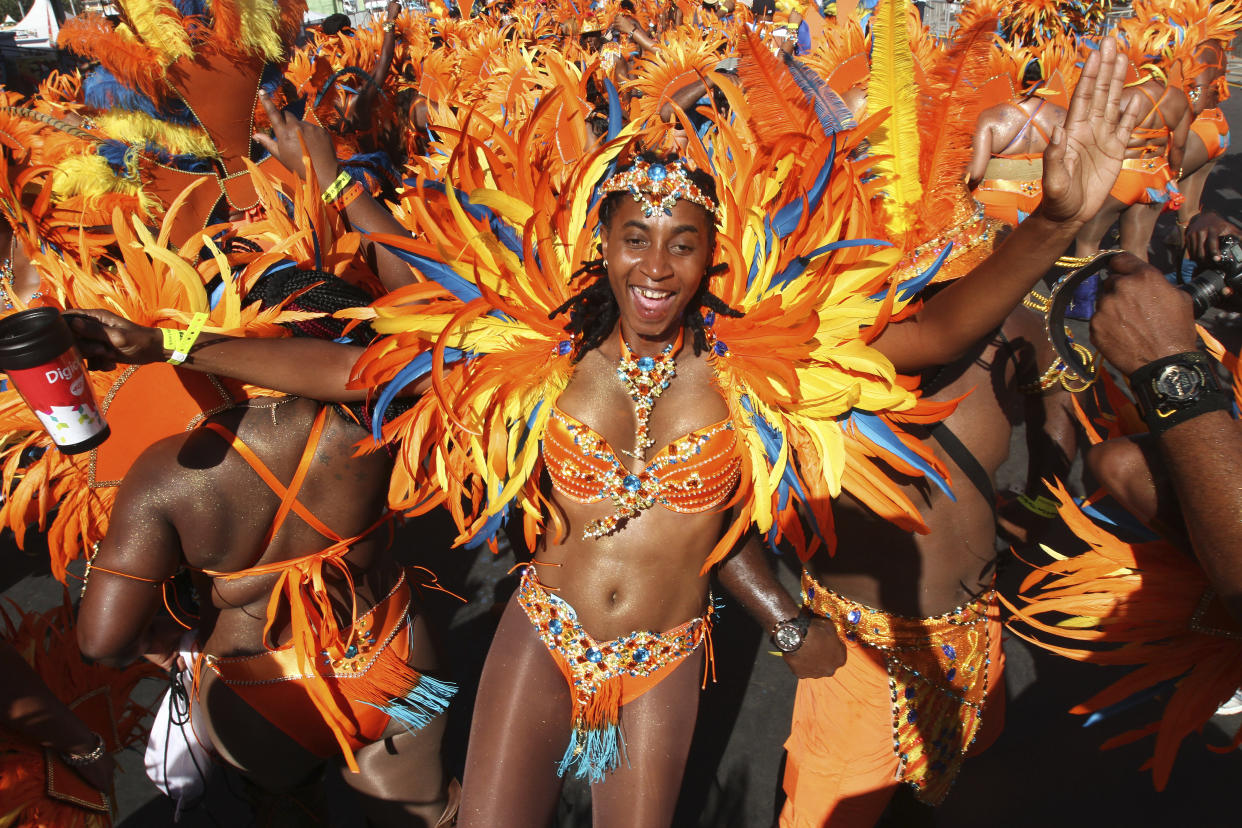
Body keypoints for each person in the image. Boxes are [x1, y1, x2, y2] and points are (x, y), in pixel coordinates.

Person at [715, 37, 1140, 828]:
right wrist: (782, 620)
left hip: (977, 642)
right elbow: (712, 501)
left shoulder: (1016, 323)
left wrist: (1037, 525)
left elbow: (1054, 445)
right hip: (858, 659)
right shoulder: (817, 338)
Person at [72, 275, 459, 827]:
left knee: (289, 809)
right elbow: (397, 368)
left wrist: (165, 633)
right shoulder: (374, 407)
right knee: (423, 815)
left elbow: (102, 641)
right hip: (392, 648)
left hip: (260, 694)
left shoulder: (161, 476)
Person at [1074, 64, 1190, 260]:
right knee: (1136, 249)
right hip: (1157, 177)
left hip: (1122, 176)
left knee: (1087, 242)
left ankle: (1087, 292)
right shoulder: (1179, 98)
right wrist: (1174, 175)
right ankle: (1139, 291)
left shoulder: (1121, 96)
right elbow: (1178, 146)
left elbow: (1090, 141)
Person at [969, 61, 1068, 226]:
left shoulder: (990, 116)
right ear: (1045, 80)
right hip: (1045, 202)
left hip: (996, 200)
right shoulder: (1062, 115)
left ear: (1016, 77)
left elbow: (975, 174)